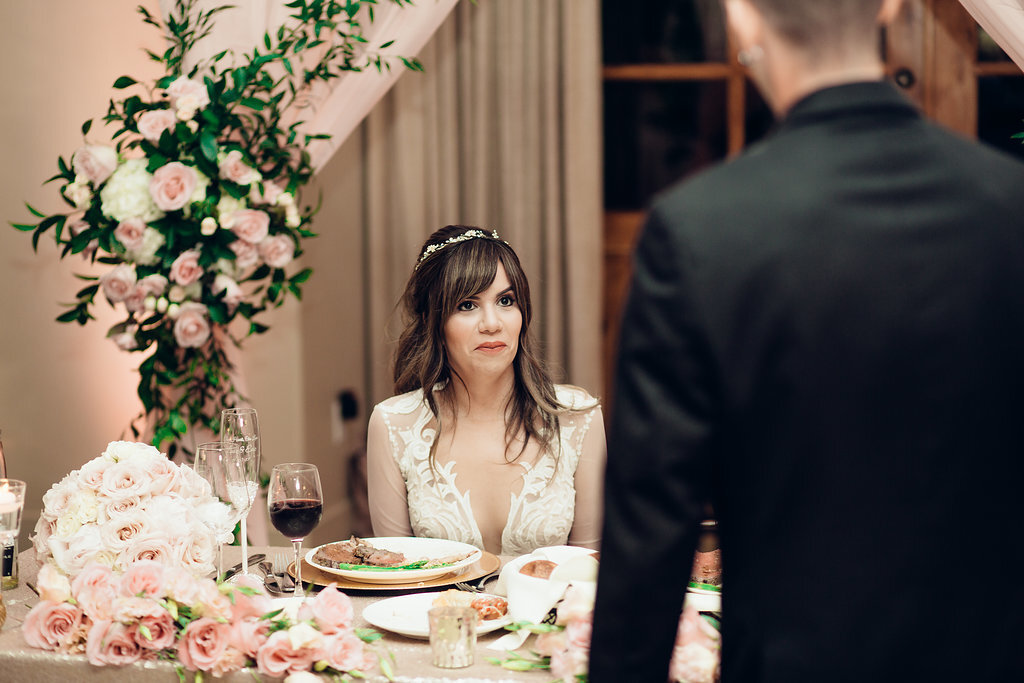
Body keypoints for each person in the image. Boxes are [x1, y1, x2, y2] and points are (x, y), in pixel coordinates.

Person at [590, 0, 1024, 681]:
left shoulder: (700, 231)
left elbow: (649, 538)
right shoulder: (1010, 207)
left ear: (740, 18)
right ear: (890, 6)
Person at [366, 225, 606, 557]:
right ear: (432, 320)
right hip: (432, 610)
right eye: (467, 305)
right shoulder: (393, 424)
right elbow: (394, 576)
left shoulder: (578, 417)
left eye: (506, 301)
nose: (492, 323)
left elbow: (589, 569)